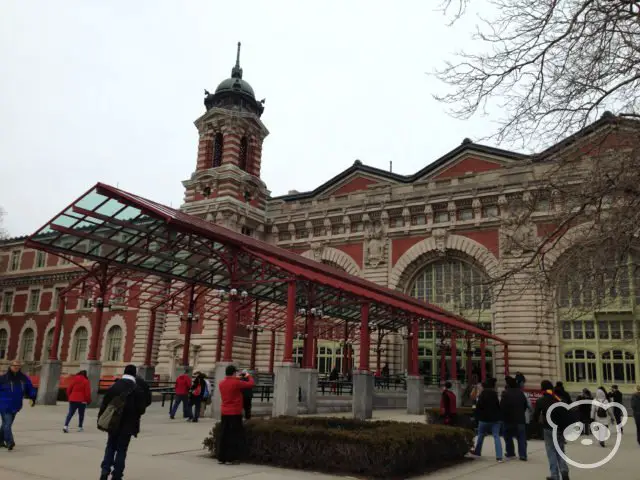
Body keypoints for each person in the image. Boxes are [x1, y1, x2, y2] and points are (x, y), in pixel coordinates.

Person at [99, 364, 151, 480]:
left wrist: (101, 419)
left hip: (113, 423)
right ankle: (117, 475)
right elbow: (142, 409)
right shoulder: (138, 389)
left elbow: (104, 405)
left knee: (110, 446)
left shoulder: (114, 386)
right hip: (128, 425)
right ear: (134, 374)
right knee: (122, 449)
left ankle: (104, 471)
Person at [217, 365, 255, 465]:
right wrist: (248, 375)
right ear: (234, 372)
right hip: (235, 412)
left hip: (224, 411)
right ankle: (231, 458)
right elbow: (251, 384)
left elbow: (232, 381)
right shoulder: (236, 383)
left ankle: (222, 457)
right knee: (233, 435)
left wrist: (238, 377)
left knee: (224, 434)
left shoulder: (221, 383)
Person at [534, 380, 570, 480]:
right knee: (560, 450)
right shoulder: (559, 399)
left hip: (548, 428)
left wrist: (536, 425)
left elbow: (535, 415)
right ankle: (564, 470)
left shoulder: (541, 401)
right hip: (560, 428)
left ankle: (554, 475)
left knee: (551, 451)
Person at [0, 360, 36, 451]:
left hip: (16, 404)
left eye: (18, 366)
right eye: (14, 365)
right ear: (10, 366)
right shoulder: (3, 378)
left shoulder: (23, 378)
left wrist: (33, 397)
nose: (16, 367)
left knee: (6, 424)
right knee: (7, 424)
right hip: (4, 404)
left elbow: (30, 388)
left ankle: (0, 441)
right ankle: (10, 442)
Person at [470, 377, 503, 462]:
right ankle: (499, 456)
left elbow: (478, 406)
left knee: (480, 435)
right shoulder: (495, 394)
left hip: (484, 419)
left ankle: (478, 451)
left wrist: (476, 416)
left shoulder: (482, 394)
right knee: (496, 436)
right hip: (495, 419)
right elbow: (499, 406)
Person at [500, 376, 530, 461]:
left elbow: (502, 407)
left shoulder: (505, 394)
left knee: (508, 437)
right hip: (520, 419)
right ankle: (523, 455)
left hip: (508, 419)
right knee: (521, 438)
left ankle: (510, 452)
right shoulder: (521, 393)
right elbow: (525, 406)